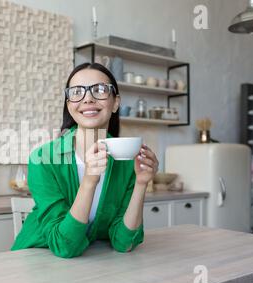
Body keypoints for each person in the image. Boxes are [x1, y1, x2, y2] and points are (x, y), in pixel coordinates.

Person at [11, 62, 159, 258]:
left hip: (92, 266)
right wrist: (89, 180)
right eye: (77, 92)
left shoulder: (127, 159)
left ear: (115, 103)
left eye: (99, 90)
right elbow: (65, 246)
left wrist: (141, 183)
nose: (88, 98)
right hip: (35, 259)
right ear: (68, 104)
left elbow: (124, 243)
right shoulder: (43, 159)